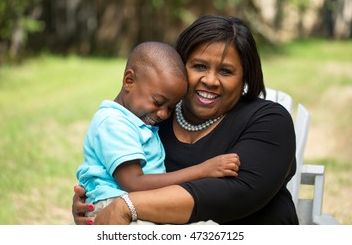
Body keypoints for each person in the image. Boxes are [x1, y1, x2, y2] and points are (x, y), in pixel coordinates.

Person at [72, 15, 298, 225]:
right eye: (199, 66)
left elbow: (235, 193)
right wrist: (91, 202)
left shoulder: (268, 120)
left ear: (245, 77)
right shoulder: (151, 119)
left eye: (226, 71)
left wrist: (128, 206)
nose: (210, 80)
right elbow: (107, 171)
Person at [75, 41, 241, 222]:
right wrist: (203, 170)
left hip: (134, 203)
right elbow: (134, 183)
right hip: (113, 208)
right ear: (129, 81)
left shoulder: (136, 121)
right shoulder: (114, 123)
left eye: (170, 107)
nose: (163, 114)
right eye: (158, 102)